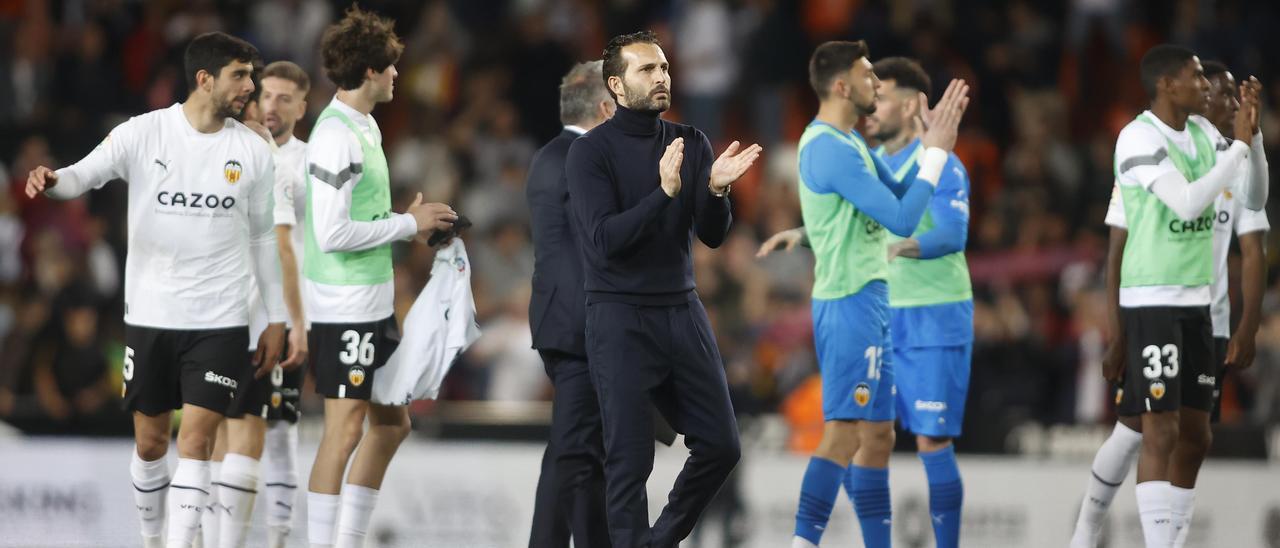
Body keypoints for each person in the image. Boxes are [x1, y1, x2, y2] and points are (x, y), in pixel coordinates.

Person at [25, 32, 288, 548]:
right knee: (150, 444)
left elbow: (262, 237)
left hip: (220, 319)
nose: (250, 87)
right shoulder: (144, 134)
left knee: (196, 439)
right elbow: (84, 175)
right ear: (204, 78)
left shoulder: (254, 150)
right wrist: (53, 180)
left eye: (251, 76)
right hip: (151, 314)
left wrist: (274, 315)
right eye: (240, 75)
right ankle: (151, 537)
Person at [759, 56, 972, 548]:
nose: (874, 86)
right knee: (843, 435)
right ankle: (802, 543)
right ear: (840, 84)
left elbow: (888, 203)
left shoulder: (853, 143)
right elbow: (899, 218)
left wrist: (931, 150)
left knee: (878, 438)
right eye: (867, 76)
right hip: (853, 302)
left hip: (891, 306)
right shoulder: (831, 147)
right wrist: (936, 152)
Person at [565, 29, 761, 547]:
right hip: (619, 317)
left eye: (665, 68)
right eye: (646, 70)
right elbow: (605, 240)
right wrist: (662, 194)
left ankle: (657, 543)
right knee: (630, 462)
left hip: (682, 310)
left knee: (721, 446)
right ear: (616, 85)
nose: (661, 78)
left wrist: (716, 191)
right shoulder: (590, 154)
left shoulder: (691, 141)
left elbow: (713, 237)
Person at [1070, 58, 1267, 548]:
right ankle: (1086, 530)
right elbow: (1121, 242)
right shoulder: (1148, 143)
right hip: (1153, 303)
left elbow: (1256, 218)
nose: (1215, 97)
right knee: (1141, 430)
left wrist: (1252, 140)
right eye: (1208, 87)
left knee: (1194, 436)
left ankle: (1169, 540)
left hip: (1207, 313)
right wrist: (1116, 329)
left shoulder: (1220, 149)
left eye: (1221, 91)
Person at [302, 7, 457, 548]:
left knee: (392, 426)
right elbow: (330, 232)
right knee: (343, 431)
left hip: (372, 302)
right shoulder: (333, 137)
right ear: (369, 71)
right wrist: (404, 224)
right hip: (342, 305)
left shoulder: (364, 125)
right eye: (390, 67)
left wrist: (407, 224)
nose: (397, 75)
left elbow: (359, 218)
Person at [203, 60, 314, 548]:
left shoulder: (310, 162)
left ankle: (275, 538)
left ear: (302, 106)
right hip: (255, 315)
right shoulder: (250, 157)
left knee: (277, 430)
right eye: (264, 96)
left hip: (279, 312)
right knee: (232, 431)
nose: (270, 106)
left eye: (283, 98)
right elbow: (280, 246)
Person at [526, 60, 615, 548]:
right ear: (605, 108)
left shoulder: (549, 155)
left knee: (585, 453)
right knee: (573, 451)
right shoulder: (583, 161)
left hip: (563, 320)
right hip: (583, 326)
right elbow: (606, 243)